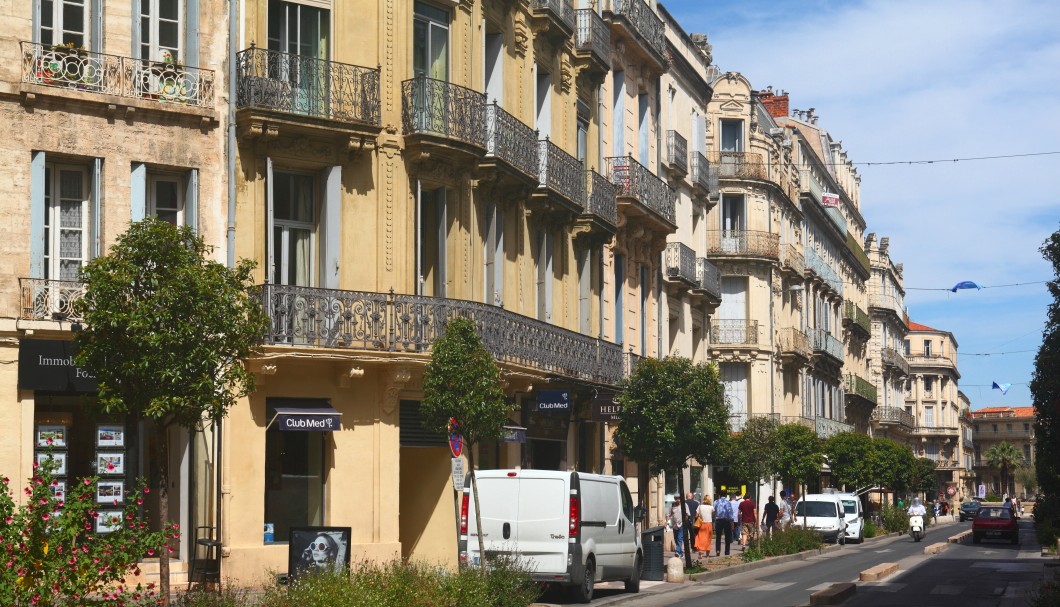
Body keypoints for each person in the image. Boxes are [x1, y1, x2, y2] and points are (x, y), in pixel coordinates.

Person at [713, 490, 735, 556]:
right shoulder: (728, 502)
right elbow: (730, 512)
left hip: (718, 520)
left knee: (718, 536)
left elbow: (714, 511)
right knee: (727, 537)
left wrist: (714, 519)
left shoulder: (716, 502)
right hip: (726, 521)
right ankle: (727, 552)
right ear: (726, 495)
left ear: (720, 495)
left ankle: (718, 550)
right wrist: (732, 521)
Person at [670, 493, 690, 558]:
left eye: (678, 498)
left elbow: (687, 514)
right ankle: (681, 553)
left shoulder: (684, 505)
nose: (677, 500)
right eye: (676, 498)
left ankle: (677, 551)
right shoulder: (672, 505)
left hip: (681, 524)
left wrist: (685, 520)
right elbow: (668, 514)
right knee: (676, 539)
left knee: (679, 538)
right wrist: (666, 523)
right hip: (674, 525)